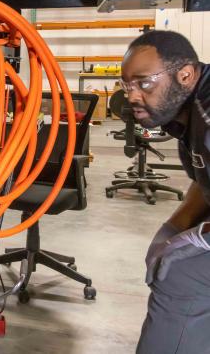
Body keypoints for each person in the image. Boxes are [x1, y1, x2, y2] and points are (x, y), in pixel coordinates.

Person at [119, 31, 210, 354]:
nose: (131, 95)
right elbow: (205, 181)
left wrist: (198, 238)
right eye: (126, 85)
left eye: (144, 83)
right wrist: (175, 227)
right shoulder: (188, 112)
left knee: (181, 276)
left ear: (185, 75)